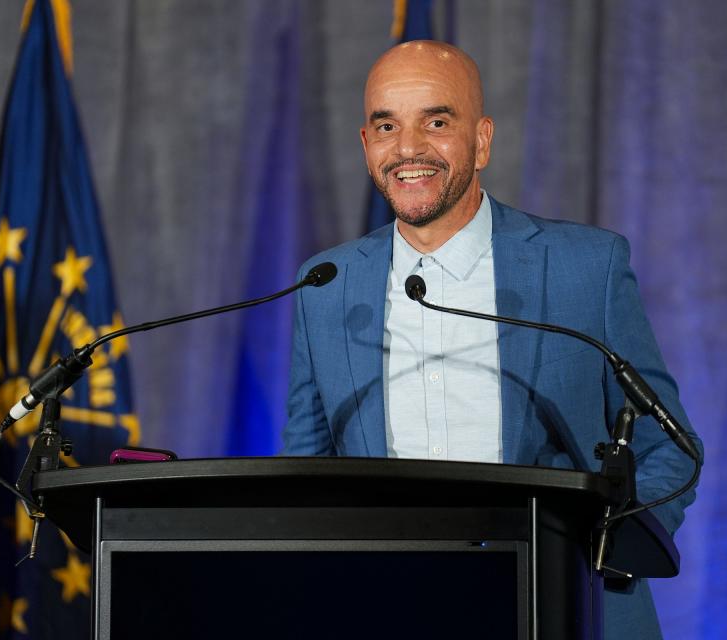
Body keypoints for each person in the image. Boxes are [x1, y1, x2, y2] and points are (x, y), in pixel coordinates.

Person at [282, 40, 701, 639]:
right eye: (386, 126)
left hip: (560, 605)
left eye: (436, 121)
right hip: (387, 609)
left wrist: (607, 544)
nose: (408, 149)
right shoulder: (326, 284)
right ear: (366, 144)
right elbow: (307, 465)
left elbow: (671, 450)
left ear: (481, 140)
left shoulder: (586, 267)